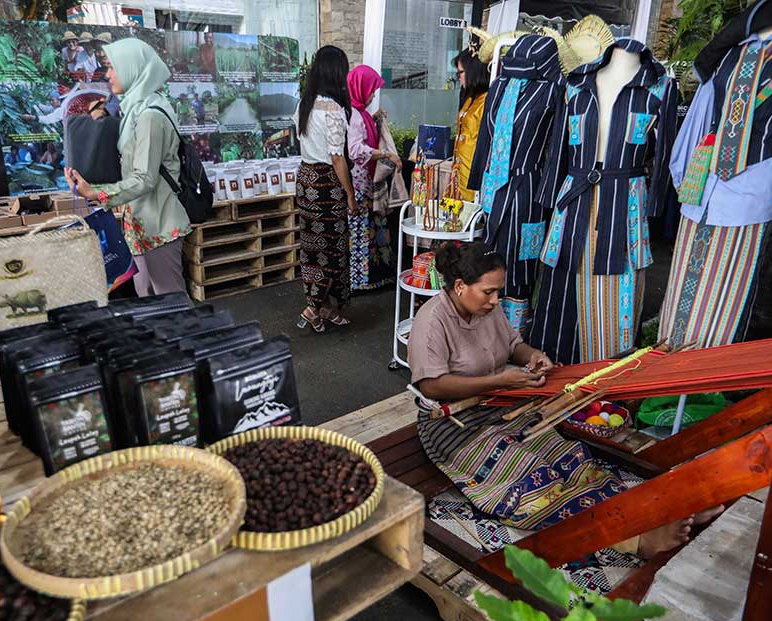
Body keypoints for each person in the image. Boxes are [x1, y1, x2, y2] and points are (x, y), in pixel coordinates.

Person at [409, 241, 721, 554]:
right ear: (461, 286)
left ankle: (660, 510)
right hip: (452, 425)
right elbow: (431, 386)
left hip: (498, 407)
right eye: (488, 291)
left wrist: (533, 355)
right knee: (531, 478)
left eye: (498, 291)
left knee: (571, 459)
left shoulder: (487, 310)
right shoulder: (432, 320)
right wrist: (498, 380)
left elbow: (513, 346)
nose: (495, 299)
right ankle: (635, 539)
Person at [65, 38, 191, 298]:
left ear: (132, 67)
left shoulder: (150, 116)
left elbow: (144, 178)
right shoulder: (135, 110)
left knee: (171, 303)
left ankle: (192, 340)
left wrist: (96, 193)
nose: (107, 74)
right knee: (146, 297)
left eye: (112, 67)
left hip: (160, 226)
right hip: (141, 224)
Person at [294, 46, 356, 332]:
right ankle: (313, 308)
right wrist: (351, 195)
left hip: (305, 181)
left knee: (311, 249)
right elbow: (337, 157)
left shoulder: (303, 105)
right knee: (332, 249)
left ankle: (323, 308)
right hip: (325, 185)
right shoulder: (333, 109)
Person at [346, 65, 399, 293]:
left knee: (371, 228)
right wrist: (386, 154)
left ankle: (375, 279)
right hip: (358, 184)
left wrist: (376, 119)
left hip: (367, 182)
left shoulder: (362, 114)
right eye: (371, 91)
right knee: (360, 231)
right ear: (360, 88)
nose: (372, 96)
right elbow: (355, 150)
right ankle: (359, 282)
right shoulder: (353, 115)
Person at [452, 49, 489, 203]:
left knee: (469, 218)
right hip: (458, 171)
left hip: (474, 174)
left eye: (460, 72)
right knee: (453, 217)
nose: (458, 78)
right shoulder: (469, 99)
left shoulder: (487, 101)